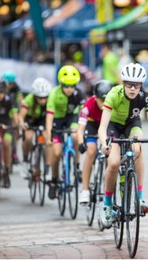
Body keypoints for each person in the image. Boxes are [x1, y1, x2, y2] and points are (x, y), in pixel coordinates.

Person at [98, 63, 148, 229]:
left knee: (137, 147)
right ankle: (107, 205)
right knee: (113, 163)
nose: (133, 88)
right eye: (129, 84)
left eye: (137, 85)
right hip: (114, 127)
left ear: (141, 85)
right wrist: (104, 143)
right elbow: (102, 127)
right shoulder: (113, 94)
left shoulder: (145, 97)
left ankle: (139, 198)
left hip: (132, 125)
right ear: (123, 83)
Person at [45, 65, 85, 199]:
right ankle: (54, 180)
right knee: (56, 153)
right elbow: (49, 116)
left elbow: (85, 112)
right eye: (66, 86)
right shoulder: (54, 94)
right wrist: (49, 135)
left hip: (70, 119)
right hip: (56, 120)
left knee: (75, 136)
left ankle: (77, 166)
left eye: (73, 86)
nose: (70, 89)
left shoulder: (79, 93)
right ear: (61, 84)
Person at [77, 80, 114, 205]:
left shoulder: (113, 103)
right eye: (101, 101)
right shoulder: (89, 105)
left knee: (111, 154)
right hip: (92, 125)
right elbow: (80, 129)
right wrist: (81, 142)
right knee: (91, 151)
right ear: (95, 97)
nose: (103, 104)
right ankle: (85, 190)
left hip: (107, 125)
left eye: (106, 100)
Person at [19, 77, 52, 164]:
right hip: (31, 119)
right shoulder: (29, 99)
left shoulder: (51, 99)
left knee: (47, 138)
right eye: (39, 98)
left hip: (43, 119)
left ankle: (48, 165)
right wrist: (22, 123)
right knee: (28, 138)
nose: (42, 101)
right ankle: (25, 158)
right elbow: (21, 115)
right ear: (35, 95)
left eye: (45, 97)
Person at [2, 70, 23, 165]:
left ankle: (14, 151)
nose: (9, 85)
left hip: (14, 110)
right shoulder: (1, 88)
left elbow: (21, 101)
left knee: (15, 128)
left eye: (11, 83)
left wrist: (20, 114)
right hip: (3, 111)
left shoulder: (17, 88)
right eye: (8, 83)